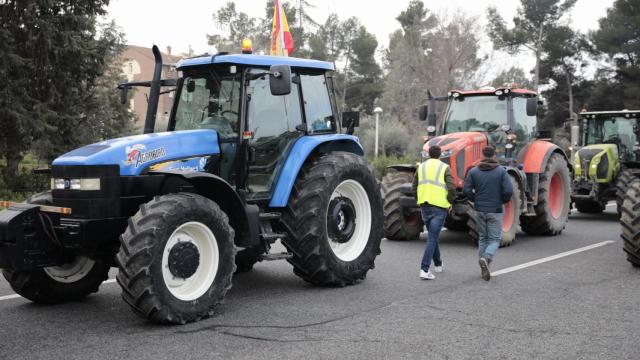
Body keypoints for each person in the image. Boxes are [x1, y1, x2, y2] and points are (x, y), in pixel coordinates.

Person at [463, 145, 513, 281]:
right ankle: (486, 258)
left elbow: (466, 191)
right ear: (494, 156)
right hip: (495, 209)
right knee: (495, 239)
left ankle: (483, 267)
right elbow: (509, 191)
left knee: (483, 238)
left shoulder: (473, 172)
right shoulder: (501, 172)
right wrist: (501, 200)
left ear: (482, 155)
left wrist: (476, 199)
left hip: (479, 209)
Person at [412, 145, 456, 280]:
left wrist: (419, 199)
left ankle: (438, 264)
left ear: (428, 154)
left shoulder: (421, 167)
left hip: (424, 205)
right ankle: (424, 269)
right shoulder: (444, 167)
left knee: (433, 235)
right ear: (440, 155)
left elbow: (414, 187)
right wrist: (449, 202)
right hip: (439, 207)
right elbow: (452, 188)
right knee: (432, 237)